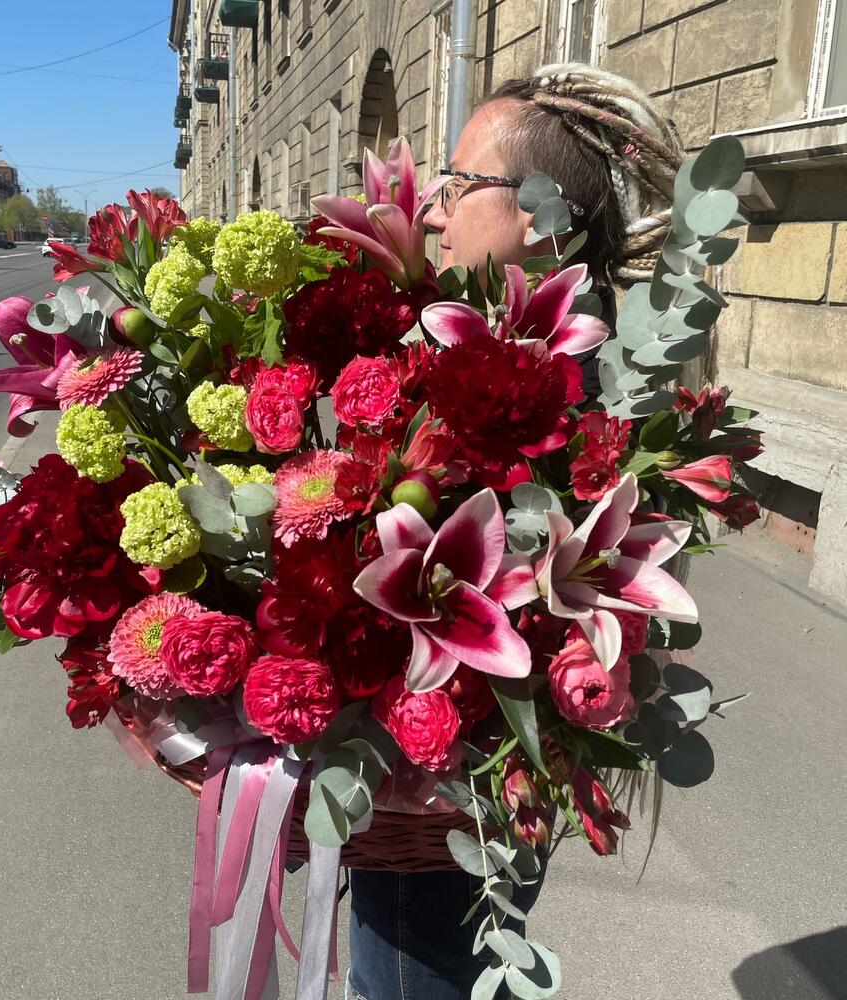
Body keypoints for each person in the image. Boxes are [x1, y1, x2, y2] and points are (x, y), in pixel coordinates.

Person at [345, 62, 686, 1000]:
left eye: (457, 185)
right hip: (443, 804)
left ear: (537, 216)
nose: (433, 213)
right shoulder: (536, 358)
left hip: (436, 797)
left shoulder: (567, 410)